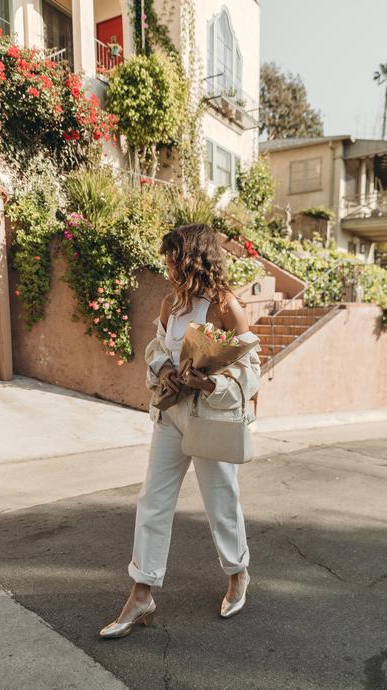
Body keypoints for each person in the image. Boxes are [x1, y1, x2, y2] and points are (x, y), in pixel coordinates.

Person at [99, 224, 261, 639]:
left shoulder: (227, 306)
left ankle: (237, 573)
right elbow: (157, 350)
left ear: (194, 258)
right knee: (152, 498)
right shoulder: (171, 304)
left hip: (211, 418)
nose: (168, 265)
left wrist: (210, 384)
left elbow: (251, 371)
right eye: (167, 258)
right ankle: (142, 592)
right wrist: (166, 371)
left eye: (174, 257)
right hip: (172, 414)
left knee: (221, 500)